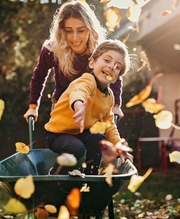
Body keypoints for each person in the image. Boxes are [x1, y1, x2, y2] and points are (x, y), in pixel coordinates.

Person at [23, 0, 125, 123]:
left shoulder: (100, 51)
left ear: (90, 29)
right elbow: (39, 76)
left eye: (81, 30)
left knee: (95, 142)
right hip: (62, 109)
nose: (75, 37)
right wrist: (33, 107)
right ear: (61, 30)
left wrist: (116, 106)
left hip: (93, 109)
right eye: (69, 31)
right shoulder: (52, 50)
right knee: (68, 143)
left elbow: (113, 74)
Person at [44, 39, 133, 176]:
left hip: (80, 132)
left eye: (117, 66)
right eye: (107, 60)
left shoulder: (109, 97)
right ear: (92, 63)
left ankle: (91, 175)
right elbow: (79, 91)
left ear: (117, 78)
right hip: (57, 133)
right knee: (76, 148)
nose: (111, 67)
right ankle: (56, 174)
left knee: (99, 139)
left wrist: (119, 147)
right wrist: (79, 106)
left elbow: (109, 125)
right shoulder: (87, 80)